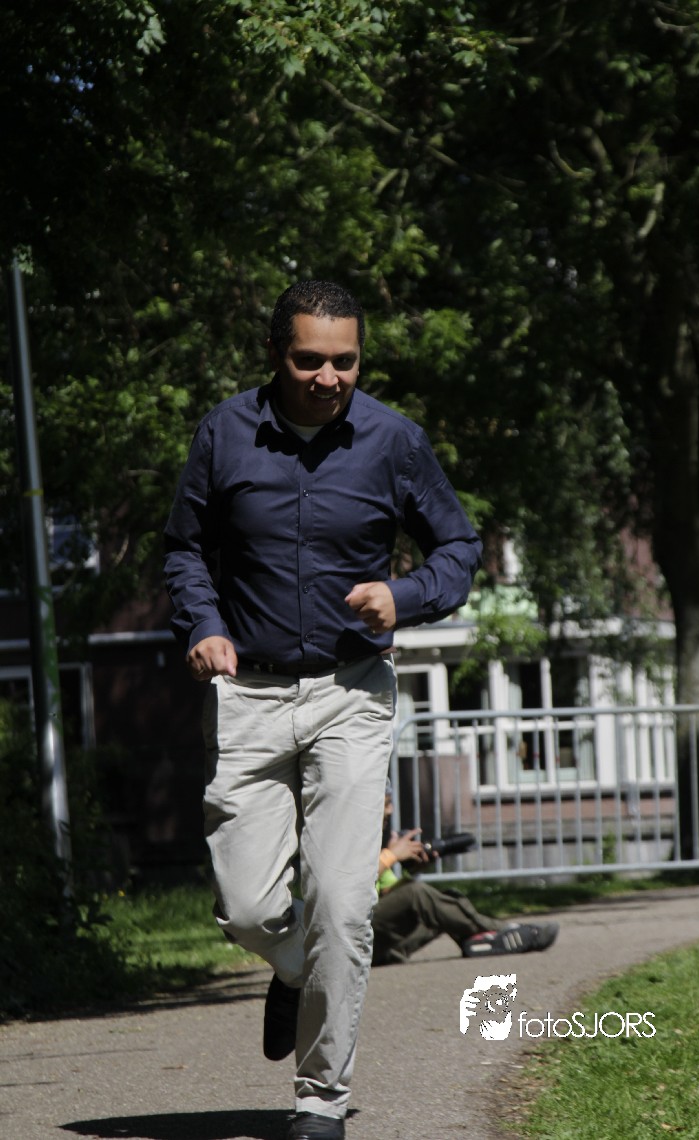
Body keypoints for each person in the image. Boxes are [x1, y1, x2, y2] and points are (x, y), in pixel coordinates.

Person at [163, 280, 482, 1140]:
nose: (329, 377)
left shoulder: (393, 440)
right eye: (310, 360)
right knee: (247, 910)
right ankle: (295, 969)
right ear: (277, 355)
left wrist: (404, 595)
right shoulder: (224, 433)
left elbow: (460, 547)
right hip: (249, 695)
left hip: (352, 693)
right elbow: (184, 549)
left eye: (345, 361)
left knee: (343, 904)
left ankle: (321, 1099)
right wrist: (203, 625)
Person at [373, 792, 559, 964]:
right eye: (386, 802)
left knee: (447, 902)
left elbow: (388, 895)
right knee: (418, 894)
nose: (390, 809)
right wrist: (391, 856)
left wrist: (413, 869)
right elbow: (356, 887)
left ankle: (479, 942)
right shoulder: (355, 841)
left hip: (380, 945)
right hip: (357, 939)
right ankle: (503, 930)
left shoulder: (372, 845)